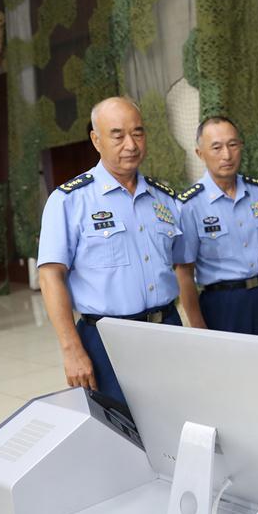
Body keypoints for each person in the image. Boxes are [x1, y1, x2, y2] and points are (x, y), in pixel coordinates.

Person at [38, 97, 185, 406]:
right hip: (106, 340)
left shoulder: (165, 198)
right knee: (119, 435)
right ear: (96, 139)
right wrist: (71, 348)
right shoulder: (69, 201)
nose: (130, 144)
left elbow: (183, 267)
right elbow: (50, 275)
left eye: (138, 133)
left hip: (168, 331)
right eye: (117, 135)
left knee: (175, 423)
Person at [175, 116, 258, 337]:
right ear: (200, 153)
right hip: (222, 304)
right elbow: (184, 272)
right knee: (227, 370)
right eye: (216, 147)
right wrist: (198, 326)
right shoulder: (189, 205)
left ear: (241, 146)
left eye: (232, 145)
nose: (227, 155)